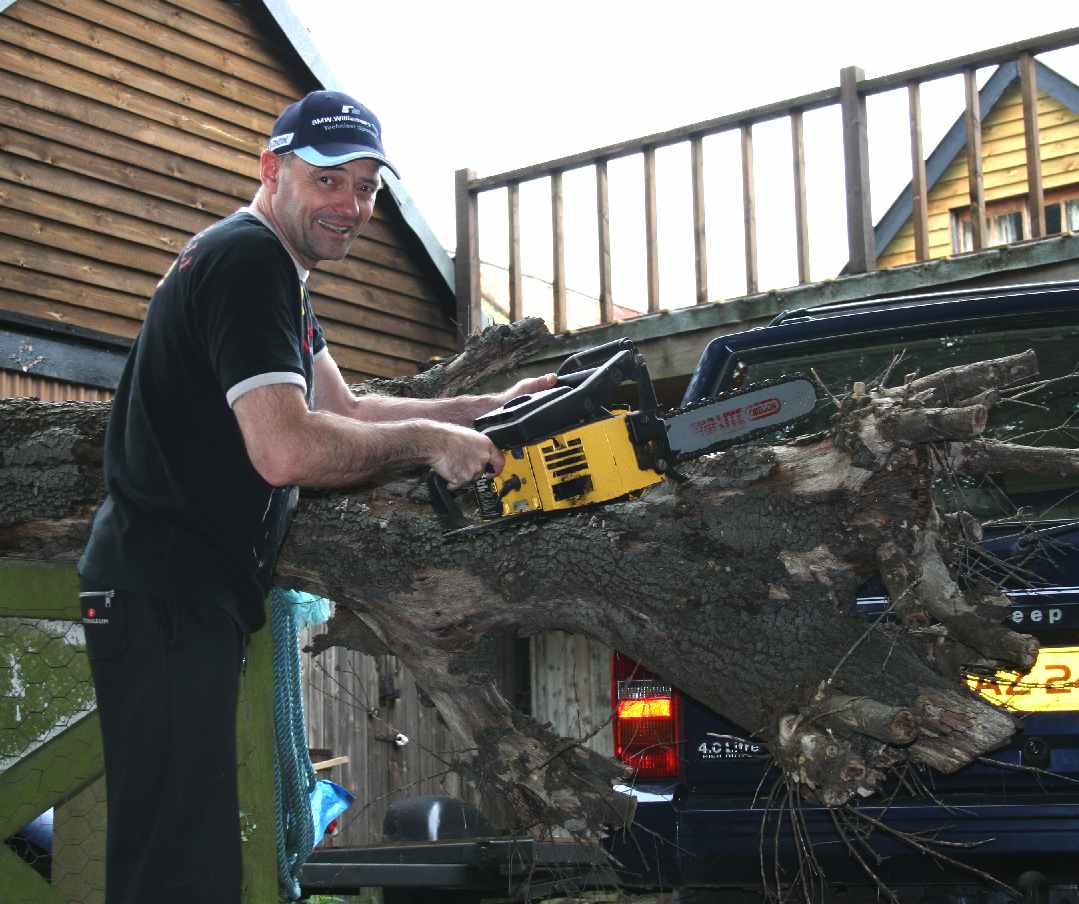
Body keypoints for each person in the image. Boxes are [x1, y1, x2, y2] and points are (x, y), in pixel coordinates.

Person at [77, 89, 555, 904]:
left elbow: (347, 410)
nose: (352, 205)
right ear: (273, 170)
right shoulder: (247, 263)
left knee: (176, 849)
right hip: (162, 590)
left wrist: (488, 408)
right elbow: (287, 447)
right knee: (178, 865)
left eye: (368, 187)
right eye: (331, 180)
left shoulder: (275, 275)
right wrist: (428, 445)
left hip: (176, 592)